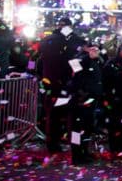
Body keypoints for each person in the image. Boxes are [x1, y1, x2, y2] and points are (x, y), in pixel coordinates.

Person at [37, 17, 87, 155]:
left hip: (52, 83)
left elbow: (38, 60)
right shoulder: (73, 41)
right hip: (67, 83)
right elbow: (76, 61)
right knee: (73, 116)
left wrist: (40, 76)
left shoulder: (47, 40)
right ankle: (73, 145)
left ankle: (53, 143)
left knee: (54, 115)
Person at [68, 41, 103, 164]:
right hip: (79, 100)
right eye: (91, 48)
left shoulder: (95, 60)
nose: (94, 51)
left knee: (87, 128)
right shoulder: (78, 59)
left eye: (96, 49)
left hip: (91, 100)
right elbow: (75, 70)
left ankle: (84, 152)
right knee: (77, 129)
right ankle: (76, 156)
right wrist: (88, 57)